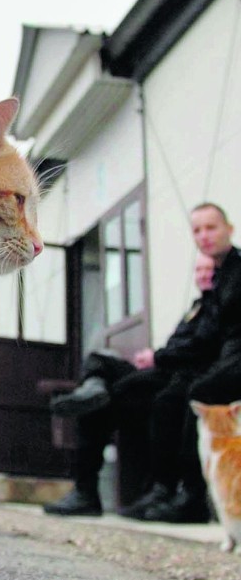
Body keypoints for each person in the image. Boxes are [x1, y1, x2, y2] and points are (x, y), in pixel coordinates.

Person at [43, 252, 219, 519]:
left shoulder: (221, 306)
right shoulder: (196, 307)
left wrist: (157, 357)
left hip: (178, 376)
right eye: (199, 270)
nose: (204, 275)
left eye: (210, 270)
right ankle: (94, 388)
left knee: (102, 401)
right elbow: (179, 345)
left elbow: (203, 347)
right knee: (99, 362)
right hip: (161, 370)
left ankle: (88, 490)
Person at [145, 203, 241, 522]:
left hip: (233, 361)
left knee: (197, 392)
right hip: (224, 360)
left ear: (230, 229)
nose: (204, 236)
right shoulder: (221, 273)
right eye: (197, 230)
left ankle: (194, 497)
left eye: (211, 227)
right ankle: (167, 491)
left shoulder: (236, 271)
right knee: (172, 395)